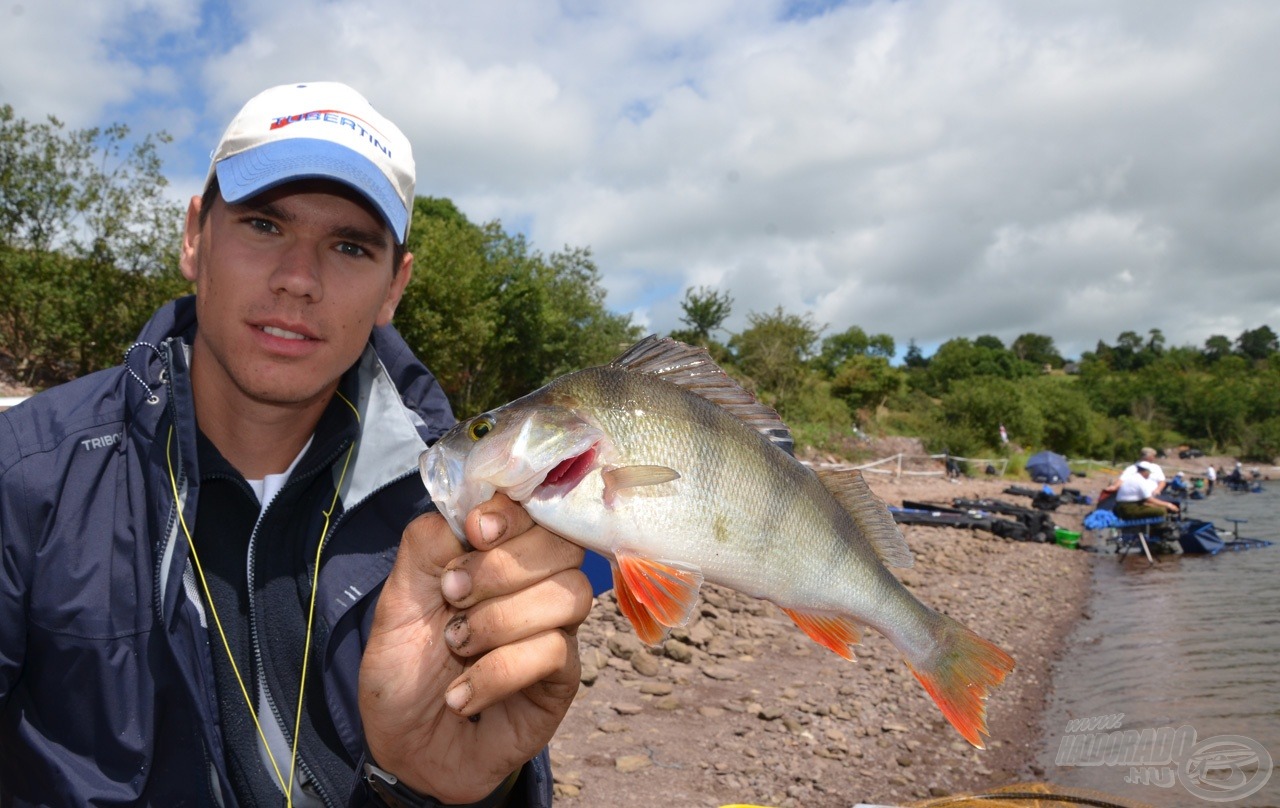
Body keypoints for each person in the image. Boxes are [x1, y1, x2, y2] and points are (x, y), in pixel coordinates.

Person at [0, 82, 592, 807]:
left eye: (348, 246)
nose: (298, 280)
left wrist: (451, 789)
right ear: (195, 236)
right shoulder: (24, 476)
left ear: (392, 289)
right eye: (263, 225)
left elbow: (459, 773)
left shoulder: (460, 516)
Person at [1111, 462, 1180, 520]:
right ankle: (1156, 531)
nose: (1149, 474)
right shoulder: (1140, 480)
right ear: (1145, 471)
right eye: (1149, 472)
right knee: (1161, 511)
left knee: (1155, 507)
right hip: (1128, 509)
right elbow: (1149, 499)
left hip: (1122, 506)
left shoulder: (1131, 477)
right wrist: (1168, 505)